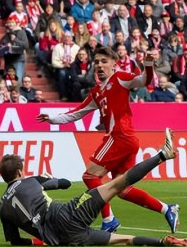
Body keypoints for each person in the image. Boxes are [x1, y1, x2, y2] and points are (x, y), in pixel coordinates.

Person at [37, 47, 179, 233]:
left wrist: (148, 64)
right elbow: (77, 113)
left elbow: (143, 80)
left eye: (104, 61)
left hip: (119, 136)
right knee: (122, 189)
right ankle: (167, 209)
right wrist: (53, 119)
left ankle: (109, 219)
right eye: (96, 62)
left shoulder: (120, 78)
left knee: (90, 176)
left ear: (114, 64)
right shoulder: (96, 92)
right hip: (127, 139)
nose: (99, 65)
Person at [0, 129, 187, 247]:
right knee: (117, 184)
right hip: (69, 215)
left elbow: (15, 241)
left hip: (64, 239)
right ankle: (163, 155)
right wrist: (47, 179)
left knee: (123, 240)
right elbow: (64, 184)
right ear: (20, 171)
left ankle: (162, 242)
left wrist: (40, 241)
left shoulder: (2, 206)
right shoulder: (31, 181)